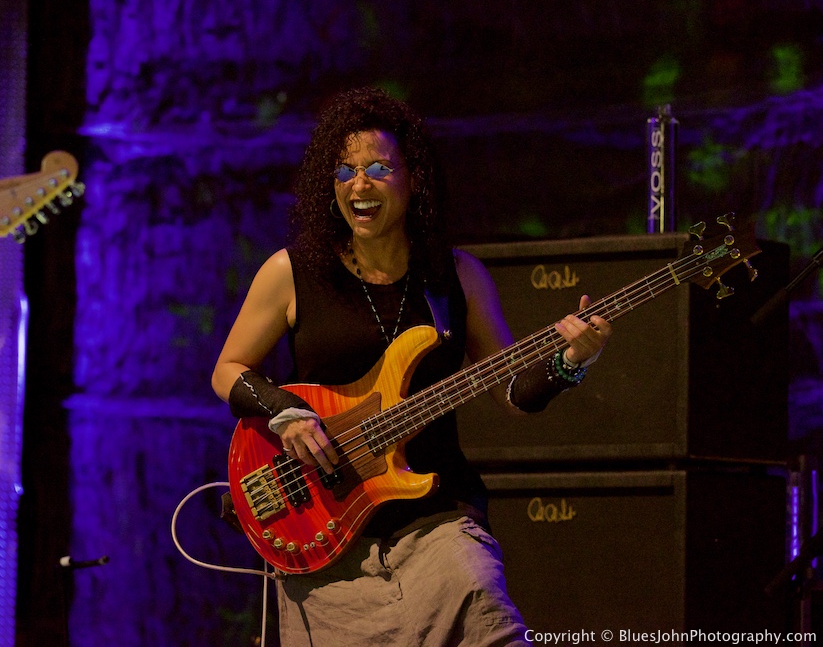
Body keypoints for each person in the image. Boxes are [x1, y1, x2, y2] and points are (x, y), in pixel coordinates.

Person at [211, 86, 611, 646]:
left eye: (378, 168)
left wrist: (570, 360)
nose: (359, 184)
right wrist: (286, 413)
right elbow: (228, 368)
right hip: (327, 530)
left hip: (436, 522)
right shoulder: (290, 272)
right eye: (344, 171)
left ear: (414, 178)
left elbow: (511, 393)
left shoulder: (456, 277)